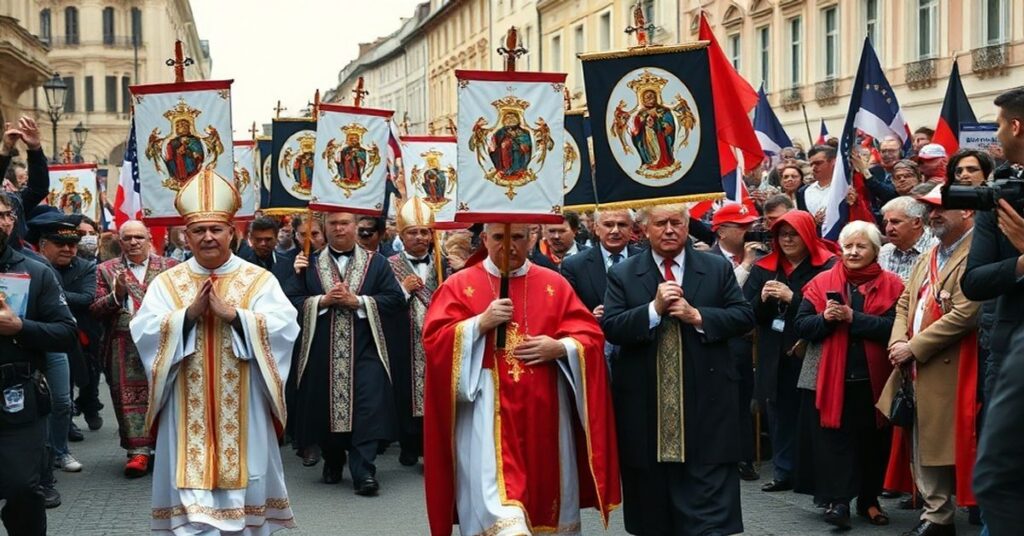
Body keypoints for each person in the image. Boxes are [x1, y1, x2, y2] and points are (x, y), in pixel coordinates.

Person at [422, 222, 620, 535]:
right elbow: (434, 342)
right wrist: (478, 324)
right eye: (499, 237)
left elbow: (590, 337)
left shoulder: (553, 283)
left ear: (531, 239)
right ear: (485, 239)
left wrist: (560, 347)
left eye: (517, 237)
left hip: (546, 412)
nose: (508, 246)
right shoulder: (459, 285)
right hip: (486, 414)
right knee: (501, 514)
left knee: (547, 501)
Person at [130, 170, 299, 533]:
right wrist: (186, 317)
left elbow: (286, 326)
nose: (208, 237)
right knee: (191, 507)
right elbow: (142, 331)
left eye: (216, 229)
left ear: (232, 233)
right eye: (199, 231)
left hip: (245, 406)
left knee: (248, 492)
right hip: (184, 407)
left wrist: (236, 317)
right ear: (185, 236)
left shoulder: (258, 279)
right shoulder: (168, 282)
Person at [602, 204, 755, 535]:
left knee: (709, 519)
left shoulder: (715, 268)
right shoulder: (624, 273)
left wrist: (699, 316)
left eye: (677, 222)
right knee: (654, 518)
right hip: (648, 414)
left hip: (708, 411)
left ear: (688, 226)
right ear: (643, 230)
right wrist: (653, 310)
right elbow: (612, 327)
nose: (669, 229)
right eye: (661, 223)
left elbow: (743, 316)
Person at [879, 186, 978, 536]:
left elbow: (966, 314)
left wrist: (914, 347)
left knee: (948, 442)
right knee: (922, 439)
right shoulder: (931, 253)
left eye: (940, 209)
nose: (932, 215)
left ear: (966, 212)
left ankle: (944, 515)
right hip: (917, 363)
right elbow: (905, 303)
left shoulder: (976, 252)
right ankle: (936, 516)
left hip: (953, 364)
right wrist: (897, 340)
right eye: (929, 209)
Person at [794, 221, 904, 530]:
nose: (853, 252)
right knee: (834, 443)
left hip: (875, 380)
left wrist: (854, 318)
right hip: (830, 381)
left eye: (861, 246)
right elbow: (802, 326)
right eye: (848, 246)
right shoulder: (821, 282)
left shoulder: (894, 284)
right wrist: (826, 319)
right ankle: (838, 501)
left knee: (874, 442)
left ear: (875, 251)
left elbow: (894, 329)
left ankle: (869, 500)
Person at [287, 211, 404, 495]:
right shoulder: (309, 264)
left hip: (366, 351)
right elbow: (290, 301)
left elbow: (395, 300)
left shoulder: (377, 264)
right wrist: (323, 301)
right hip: (321, 353)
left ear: (355, 226)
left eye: (345, 223)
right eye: (333, 224)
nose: (339, 228)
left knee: (367, 408)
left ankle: (364, 471)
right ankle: (333, 460)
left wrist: (359, 301)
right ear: (324, 228)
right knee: (325, 408)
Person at [0, 192, 77, 532]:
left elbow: (65, 331)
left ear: (12, 221)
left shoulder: (35, 270)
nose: (0, 220)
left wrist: (21, 327)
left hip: (17, 397)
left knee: (23, 490)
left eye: (4, 214)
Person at [744, 210, 837, 493]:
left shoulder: (827, 266)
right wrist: (760, 300)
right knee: (779, 411)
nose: (787, 240)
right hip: (775, 351)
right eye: (782, 235)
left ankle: (812, 473)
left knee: (811, 413)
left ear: (807, 234)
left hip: (811, 348)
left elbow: (830, 309)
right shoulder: (763, 268)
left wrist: (792, 298)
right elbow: (746, 314)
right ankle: (784, 472)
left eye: (793, 234)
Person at [971, 86, 1024, 536]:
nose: (997, 134)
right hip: (1009, 352)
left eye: (999, 125)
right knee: (999, 474)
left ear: (1015, 126)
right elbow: (975, 280)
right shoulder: (1002, 195)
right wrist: (1021, 263)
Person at [90, 220, 178, 477]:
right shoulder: (106, 269)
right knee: (128, 396)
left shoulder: (170, 267)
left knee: (165, 392)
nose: (133, 242)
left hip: (164, 340)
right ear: (120, 240)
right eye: (127, 238)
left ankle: (167, 448)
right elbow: (95, 309)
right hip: (123, 343)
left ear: (149, 238)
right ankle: (138, 452)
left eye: (139, 237)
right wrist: (116, 296)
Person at [383, 198, 443, 467]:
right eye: (413, 232)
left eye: (424, 232)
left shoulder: (445, 264)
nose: (419, 237)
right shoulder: (387, 264)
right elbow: (382, 301)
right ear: (401, 235)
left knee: (434, 391)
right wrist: (403, 289)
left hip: (436, 338)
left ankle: (431, 447)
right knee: (406, 391)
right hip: (403, 336)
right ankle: (409, 443)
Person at [710, 203, 764, 481]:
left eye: (750, 225)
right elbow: (719, 297)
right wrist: (744, 266)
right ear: (721, 232)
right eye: (741, 226)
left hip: (744, 342)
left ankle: (744, 457)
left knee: (743, 401)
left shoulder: (761, 258)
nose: (749, 231)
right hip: (715, 341)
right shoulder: (706, 260)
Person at [0, 117, 49, 249]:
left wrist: (35, 149)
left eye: (8, 215)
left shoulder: (12, 200)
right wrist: (5, 150)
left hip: (15, 260)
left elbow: (38, 190)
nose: (5, 222)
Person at [878, 197, 934, 282]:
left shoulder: (937, 250)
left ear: (916, 222)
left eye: (895, 222)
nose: (888, 229)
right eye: (886, 223)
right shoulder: (884, 253)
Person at [798, 145, 837, 225]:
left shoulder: (843, 186)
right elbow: (803, 221)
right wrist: (813, 222)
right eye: (811, 164)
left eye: (818, 163)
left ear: (833, 162)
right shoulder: (803, 192)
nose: (813, 168)